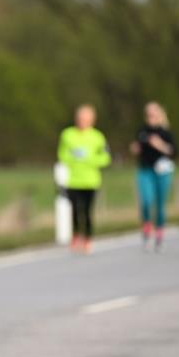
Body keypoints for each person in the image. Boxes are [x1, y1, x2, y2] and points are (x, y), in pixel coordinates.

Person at [57, 104, 111, 254]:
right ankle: (75, 235)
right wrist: (74, 157)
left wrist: (89, 159)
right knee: (74, 210)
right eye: (80, 118)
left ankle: (87, 238)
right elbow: (62, 155)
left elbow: (106, 158)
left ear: (92, 120)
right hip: (73, 180)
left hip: (91, 180)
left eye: (85, 119)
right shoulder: (67, 134)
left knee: (87, 211)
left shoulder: (98, 137)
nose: (82, 121)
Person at [130, 102, 177, 252]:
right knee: (146, 200)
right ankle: (146, 227)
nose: (150, 116)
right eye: (148, 113)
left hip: (162, 171)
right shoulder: (142, 131)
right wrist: (135, 148)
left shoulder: (166, 132)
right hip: (145, 170)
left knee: (160, 204)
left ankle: (159, 234)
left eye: (153, 113)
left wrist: (160, 145)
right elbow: (136, 147)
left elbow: (174, 152)